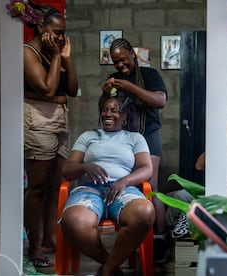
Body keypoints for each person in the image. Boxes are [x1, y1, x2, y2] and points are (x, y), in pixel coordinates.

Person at [60, 93, 155, 276]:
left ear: (124, 116)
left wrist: (123, 181)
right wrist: (86, 166)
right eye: (104, 110)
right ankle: (110, 265)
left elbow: (147, 169)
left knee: (145, 213)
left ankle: (107, 271)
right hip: (89, 190)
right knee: (75, 221)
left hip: (123, 190)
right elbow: (67, 170)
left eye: (114, 110)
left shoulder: (134, 138)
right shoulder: (88, 136)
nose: (107, 114)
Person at [101, 38, 168, 262]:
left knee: (151, 185)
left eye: (123, 59)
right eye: (116, 62)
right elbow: (107, 110)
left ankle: (159, 239)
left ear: (132, 53)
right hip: (124, 140)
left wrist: (132, 88)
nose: (120, 65)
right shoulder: (116, 79)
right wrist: (104, 94)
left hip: (147, 137)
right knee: (127, 185)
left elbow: (160, 101)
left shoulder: (149, 75)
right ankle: (131, 239)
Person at [23, 2, 78, 268]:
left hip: (59, 121)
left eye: (63, 33)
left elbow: (73, 89)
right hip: (37, 120)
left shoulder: (53, 51)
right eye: (56, 32)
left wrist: (66, 56)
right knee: (37, 187)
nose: (60, 37)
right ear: (40, 27)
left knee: (54, 186)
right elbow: (47, 89)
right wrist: (57, 58)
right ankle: (34, 248)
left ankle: (48, 240)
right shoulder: (28, 52)